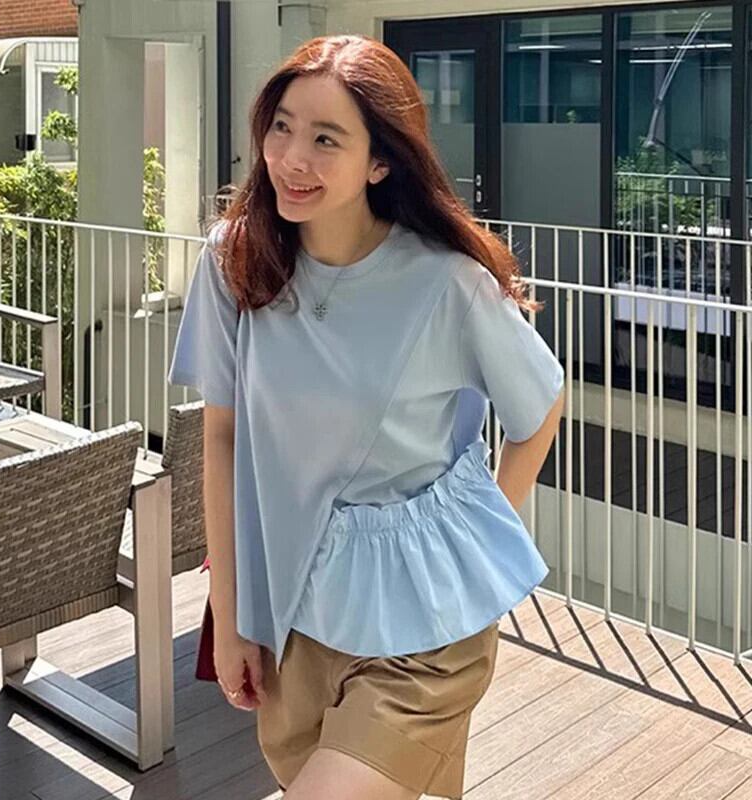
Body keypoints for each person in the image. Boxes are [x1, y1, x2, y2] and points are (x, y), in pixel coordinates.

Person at [168, 33, 565, 800]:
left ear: (380, 162)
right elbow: (221, 438)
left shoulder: (446, 282)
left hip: (426, 633)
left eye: (326, 139)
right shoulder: (235, 262)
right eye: (281, 127)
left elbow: (540, 407)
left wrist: (481, 536)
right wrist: (230, 609)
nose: (292, 158)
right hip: (293, 615)